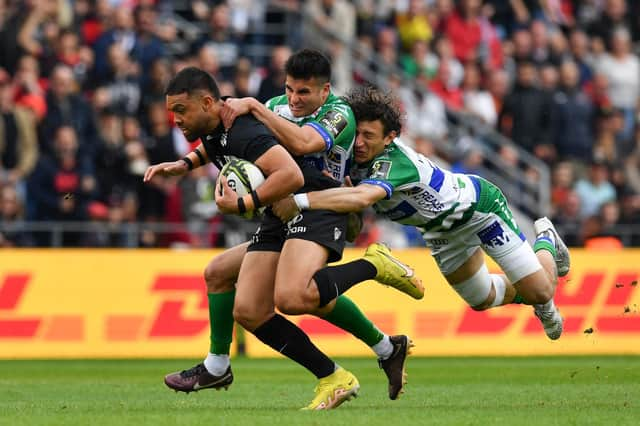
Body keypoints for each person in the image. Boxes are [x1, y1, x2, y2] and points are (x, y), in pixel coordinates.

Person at [154, 51, 421, 408]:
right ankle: (372, 355)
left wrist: (253, 108)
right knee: (247, 307)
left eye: (304, 93)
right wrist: (185, 163)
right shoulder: (276, 104)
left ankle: (375, 266)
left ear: (325, 91)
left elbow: (303, 145)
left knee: (293, 297)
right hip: (281, 208)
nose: (294, 100)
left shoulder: (337, 112)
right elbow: (225, 137)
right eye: (290, 90)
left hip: (321, 204)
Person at [272, 86, 570, 341]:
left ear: (389, 137)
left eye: (368, 135)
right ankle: (528, 291)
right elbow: (353, 225)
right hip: (440, 232)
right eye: (357, 134)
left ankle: (545, 239)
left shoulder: (395, 161)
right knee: (481, 299)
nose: (359, 142)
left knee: (542, 291)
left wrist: (300, 201)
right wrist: (344, 205)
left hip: (478, 212)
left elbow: (364, 195)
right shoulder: (351, 161)